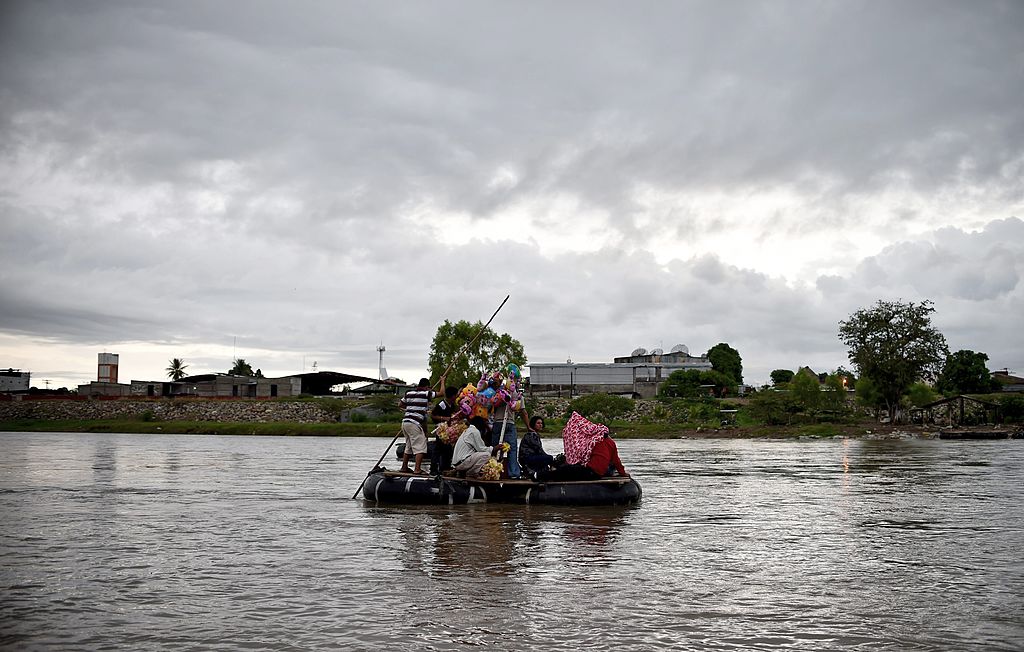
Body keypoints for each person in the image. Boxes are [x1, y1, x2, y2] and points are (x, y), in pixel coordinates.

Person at [399, 375, 445, 474]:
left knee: (409, 446)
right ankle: (417, 469)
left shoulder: (409, 393)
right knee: (420, 447)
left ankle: (404, 467)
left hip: (405, 422)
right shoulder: (426, 393)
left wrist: (411, 408)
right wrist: (442, 381)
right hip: (414, 423)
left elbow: (400, 404)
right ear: (426, 387)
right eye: (429, 388)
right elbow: (441, 393)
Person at [489, 380, 530, 479]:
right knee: (512, 449)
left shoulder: (498, 393)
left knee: (496, 448)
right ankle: (514, 473)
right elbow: (523, 412)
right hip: (510, 423)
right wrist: (528, 427)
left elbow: (490, 407)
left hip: (497, 423)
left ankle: (493, 470)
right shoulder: (518, 396)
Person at [430, 386, 459, 473]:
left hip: (449, 431)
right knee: (438, 448)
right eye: (456, 395)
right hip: (441, 430)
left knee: (448, 449)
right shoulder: (442, 404)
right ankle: (433, 468)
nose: (457, 397)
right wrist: (444, 418)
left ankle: (445, 467)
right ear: (452, 395)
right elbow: (433, 415)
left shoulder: (453, 405)